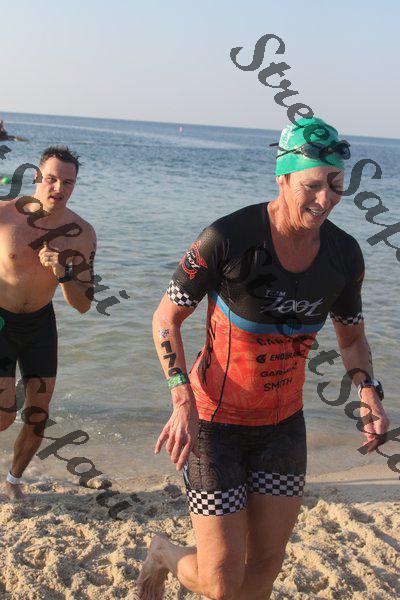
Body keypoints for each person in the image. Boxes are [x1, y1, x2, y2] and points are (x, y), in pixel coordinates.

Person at [138, 117, 390, 600]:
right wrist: (181, 398)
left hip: (282, 427)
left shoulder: (344, 254)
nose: (325, 198)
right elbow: (165, 319)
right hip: (213, 425)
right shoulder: (227, 238)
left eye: (336, 184)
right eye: (312, 185)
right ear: (282, 178)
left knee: (264, 567)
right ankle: (163, 553)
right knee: (220, 581)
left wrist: (367, 392)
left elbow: (352, 339)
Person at [0, 146, 96, 501]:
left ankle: (13, 480)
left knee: (38, 415)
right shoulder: (5, 215)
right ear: (37, 177)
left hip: (40, 324)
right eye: (52, 179)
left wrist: (64, 272)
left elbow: (83, 304)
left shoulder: (82, 234)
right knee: (3, 416)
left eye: (67, 183)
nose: (58, 188)